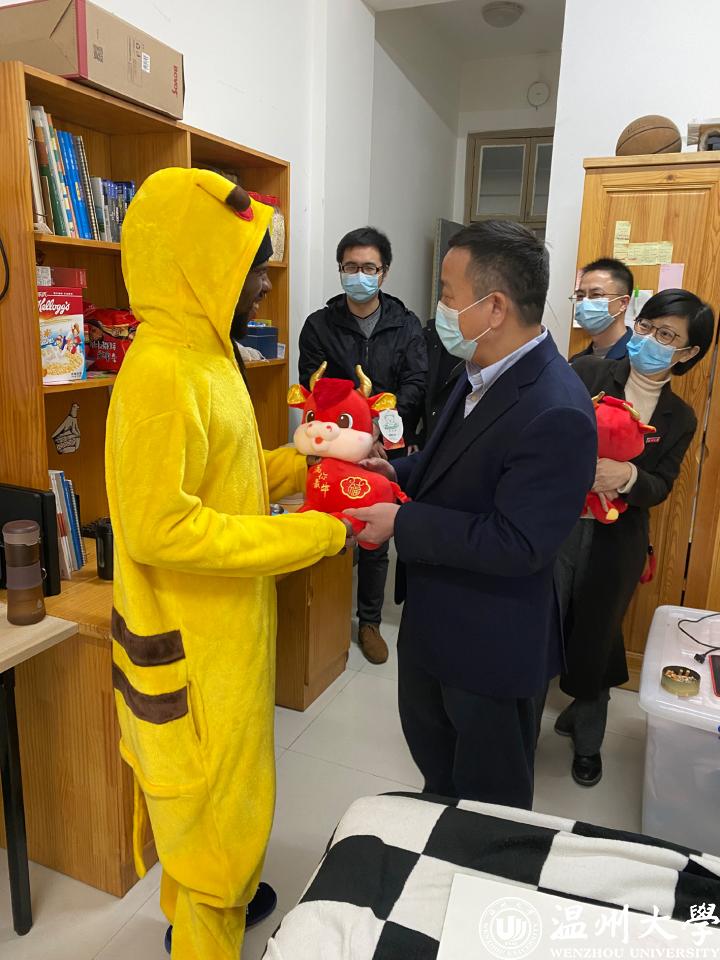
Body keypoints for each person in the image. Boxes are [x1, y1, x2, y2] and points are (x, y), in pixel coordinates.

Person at [105, 168, 353, 960]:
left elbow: (228, 475)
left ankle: (207, 908)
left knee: (217, 809)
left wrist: (303, 461)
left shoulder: (209, 356)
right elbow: (163, 529)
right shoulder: (162, 372)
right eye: (250, 269)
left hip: (225, 637)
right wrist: (310, 536)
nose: (262, 286)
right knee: (215, 823)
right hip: (192, 646)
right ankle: (207, 928)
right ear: (198, 263)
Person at [345, 220, 598, 810]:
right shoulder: (479, 370)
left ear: (495, 307)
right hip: (434, 622)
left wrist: (401, 523)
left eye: (448, 294)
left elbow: (519, 542)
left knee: (488, 806)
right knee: (438, 777)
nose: (440, 307)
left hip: (490, 645)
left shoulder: (556, 408)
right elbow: (447, 463)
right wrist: (393, 474)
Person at [554, 288, 715, 787]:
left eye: (666, 335)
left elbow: (661, 485)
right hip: (557, 527)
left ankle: (587, 741)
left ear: (687, 353)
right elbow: (547, 432)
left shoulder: (680, 417)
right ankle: (519, 732)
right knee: (540, 626)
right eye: (646, 326)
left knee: (598, 639)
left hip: (615, 539)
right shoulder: (588, 372)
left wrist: (626, 476)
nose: (648, 339)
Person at [298, 226, 427, 665]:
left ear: (383, 272)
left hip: (385, 446)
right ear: (340, 270)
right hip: (333, 446)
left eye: (368, 267)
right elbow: (312, 387)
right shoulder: (319, 325)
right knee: (329, 524)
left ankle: (368, 621)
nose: (359, 275)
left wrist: (380, 432)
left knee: (374, 533)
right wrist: (346, 432)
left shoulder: (406, 325)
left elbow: (415, 384)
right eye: (350, 267)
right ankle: (327, 617)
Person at [571, 258, 635, 361]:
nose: (585, 302)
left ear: (623, 303)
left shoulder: (637, 362)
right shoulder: (575, 362)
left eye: (596, 294)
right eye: (580, 296)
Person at [414, 313, 463, 448]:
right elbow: (415, 384)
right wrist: (410, 435)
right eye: (444, 302)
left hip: (457, 445)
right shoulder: (428, 336)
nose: (445, 306)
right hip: (428, 442)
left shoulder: (476, 349)